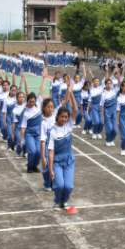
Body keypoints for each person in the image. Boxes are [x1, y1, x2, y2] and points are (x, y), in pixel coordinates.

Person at [48, 82, 78, 210]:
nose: (65, 119)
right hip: (57, 161)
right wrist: (50, 168)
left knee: (69, 186)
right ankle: (57, 200)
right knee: (59, 185)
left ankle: (64, 201)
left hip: (69, 159)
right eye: (62, 117)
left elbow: (75, 109)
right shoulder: (53, 131)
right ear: (57, 117)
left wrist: (71, 93)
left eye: (66, 117)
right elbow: (50, 152)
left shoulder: (69, 125)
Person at [20, 69, 48, 173]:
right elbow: (23, 127)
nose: (32, 103)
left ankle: (34, 166)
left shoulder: (38, 104)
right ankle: (29, 166)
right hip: (29, 133)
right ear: (27, 101)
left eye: (33, 101)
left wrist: (44, 78)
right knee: (32, 151)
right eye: (30, 101)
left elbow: (41, 90)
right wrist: (21, 140)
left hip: (39, 133)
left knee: (39, 152)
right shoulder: (25, 112)